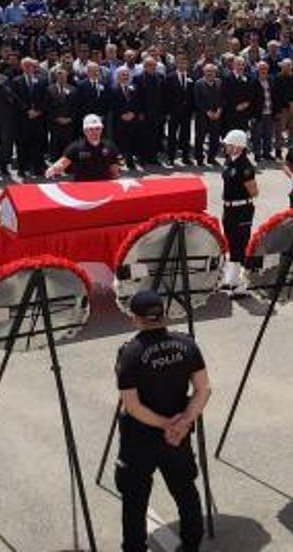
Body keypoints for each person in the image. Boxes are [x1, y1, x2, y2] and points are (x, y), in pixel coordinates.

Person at [114, 290, 211, 552]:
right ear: (163, 316)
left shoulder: (130, 353)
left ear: (136, 319)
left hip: (140, 440)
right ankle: (191, 544)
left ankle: (134, 548)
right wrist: (183, 422)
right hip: (178, 438)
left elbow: (132, 406)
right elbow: (203, 389)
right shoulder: (187, 344)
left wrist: (165, 425)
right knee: (185, 491)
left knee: (134, 500)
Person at [219, 129, 257, 294]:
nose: (225, 146)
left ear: (237, 147)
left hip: (241, 209)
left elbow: (254, 191)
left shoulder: (245, 166)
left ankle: (243, 282)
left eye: (228, 144)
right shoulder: (229, 160)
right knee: (231, 242)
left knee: (241, 244)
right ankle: (232, 278)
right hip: (228, 208)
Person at [45, 114, 122, 181]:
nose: (95, 132)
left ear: (102, 129)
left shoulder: (110, 146)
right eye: (91, 129)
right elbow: (61, 164)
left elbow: (114, 171)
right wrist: (54, 169)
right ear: (85, 131)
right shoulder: (75, 148)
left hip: (104, 186)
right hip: (81, 188)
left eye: (97, 129)